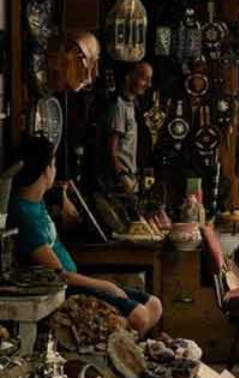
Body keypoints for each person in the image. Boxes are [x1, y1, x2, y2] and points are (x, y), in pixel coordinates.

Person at [9, 137, 163, 335]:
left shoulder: (36, 200)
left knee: (154, 305)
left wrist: (64, 198)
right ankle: (113, 350)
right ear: (45, 169)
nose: (55, 170)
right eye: (53, 164)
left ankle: (121, 351)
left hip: (76, 280)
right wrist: (105, 285)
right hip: (66, 289)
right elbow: (58, 275)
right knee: (139, 316)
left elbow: (69, 212)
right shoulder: (22, 215)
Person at [100, 62, 152, 194]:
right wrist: (122, 178)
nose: (148, 84)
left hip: (131, 181)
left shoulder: (133, 106)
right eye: (144, 79)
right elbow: (111, 149)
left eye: (150, 80)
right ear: (129, 77)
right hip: (120, 186)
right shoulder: (118, 106)